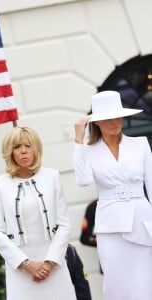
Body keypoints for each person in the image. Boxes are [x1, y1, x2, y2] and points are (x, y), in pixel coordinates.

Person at [73, 90, 152, 300]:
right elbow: (82, 180)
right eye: (107, 118)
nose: (115, 122)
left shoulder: (140, 144)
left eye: (118, 116)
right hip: (110, 227)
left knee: (145, 284)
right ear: (97, 122)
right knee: (116, 286)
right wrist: (78, 139)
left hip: (142, 223)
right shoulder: (88, 151)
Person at [0, 126, 76, 300]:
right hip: (20, 272)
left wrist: (50, 263)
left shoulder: (52, 177)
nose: (23, 152)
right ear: (9, 152)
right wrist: (26, 264)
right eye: (17, 147)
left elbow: (64, 224)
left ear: (36, 148)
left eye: (28, 146)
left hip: (55, 267)